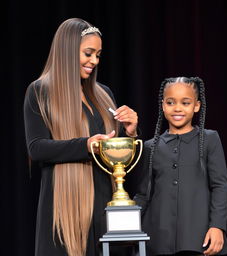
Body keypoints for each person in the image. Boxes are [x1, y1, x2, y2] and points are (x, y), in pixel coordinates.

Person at [23, 18, 138, 256]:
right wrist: (85, 145)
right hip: (65, 205)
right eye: (88, 53)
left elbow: (118, 153)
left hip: (105, 203)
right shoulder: (39, 91)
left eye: (98, 55)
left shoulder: (104, 94)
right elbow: (37, 148)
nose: (94, 61)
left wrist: (131, 131)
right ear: (67, 50)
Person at [134, 77, 227, 256]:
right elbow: (143, 193)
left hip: (200, 238)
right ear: (163, 105)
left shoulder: (210, 139)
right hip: (158, 240)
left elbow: (220, 186)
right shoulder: (150, 146)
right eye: (170, 102)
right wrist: (125, 224)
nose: (177, 108)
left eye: (185, 103)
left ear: (196, 106)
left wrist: (217, 226)